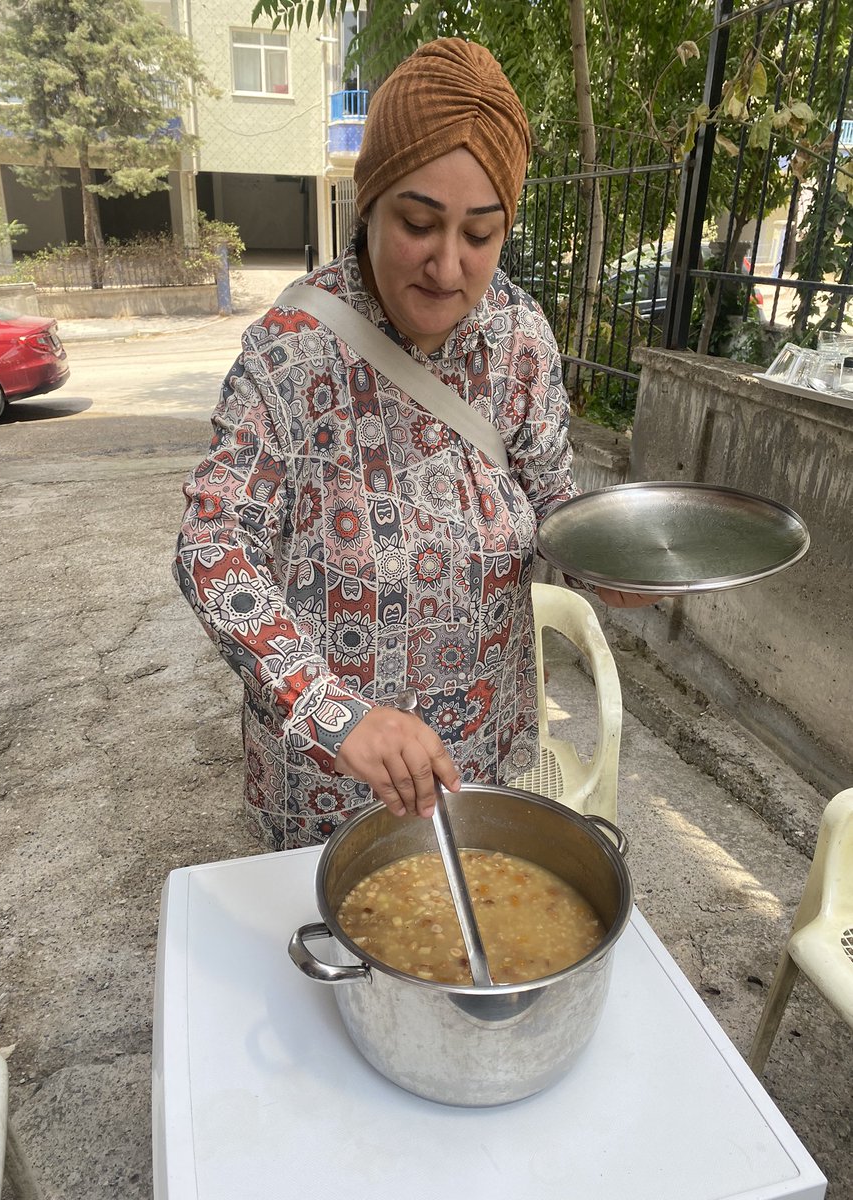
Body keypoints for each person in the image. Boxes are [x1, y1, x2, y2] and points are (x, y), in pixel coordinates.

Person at [174, 36, 654, 853]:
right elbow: (214, 544)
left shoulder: (518, 339)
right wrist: (332, 710)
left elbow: (555, 506)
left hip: (482, 763)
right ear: (371, 203)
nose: (447, 265)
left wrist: (615, 565)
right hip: (333, 786)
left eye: (481, 233)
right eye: (419, 223)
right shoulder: (293, 349)